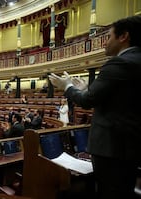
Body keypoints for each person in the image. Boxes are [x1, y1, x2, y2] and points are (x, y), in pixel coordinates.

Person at [48, 15, 141, 199]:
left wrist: (67, 86)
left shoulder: (119, 63)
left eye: (109, 36)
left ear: (124, 37)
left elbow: (88, 101)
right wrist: (84, 89)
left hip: (112, 150)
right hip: (130, 147)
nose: (105, 42)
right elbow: (116, 100)